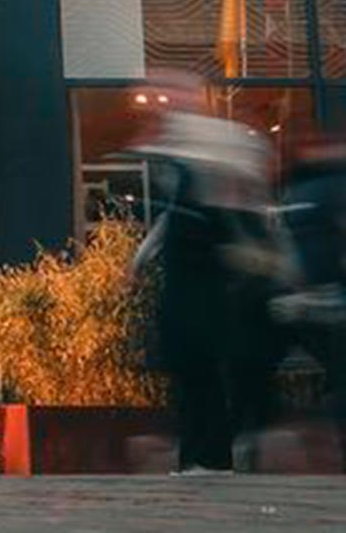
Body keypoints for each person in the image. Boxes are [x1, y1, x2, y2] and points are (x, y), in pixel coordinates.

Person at [131, 73, 275, 474]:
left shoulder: (209, 143)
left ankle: (211, 457)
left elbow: (230, 206)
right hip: (188, 269)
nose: (162, 101)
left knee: (198, 362)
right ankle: (199, 455)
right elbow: (174, 213)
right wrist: (142, 256)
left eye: (172, 93)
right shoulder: (179, 146)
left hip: (205, 271)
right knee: (186, 362)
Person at [273, 135, 346, 471]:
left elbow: (285, 246)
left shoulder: (294, 193)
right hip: (328, 299)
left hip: (302, 300)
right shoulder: (332, 186)